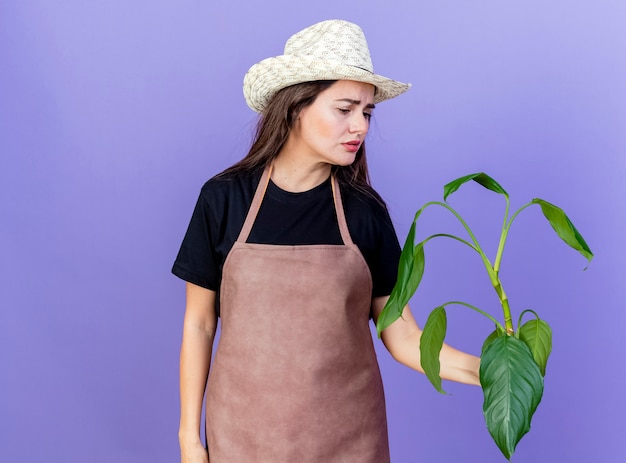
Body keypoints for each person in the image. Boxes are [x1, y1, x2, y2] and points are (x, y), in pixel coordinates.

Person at [172, 19, 480, 463]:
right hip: (241, 440)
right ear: (297, 107)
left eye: (367, 112)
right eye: (345, 109)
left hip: (349, 442)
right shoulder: (224, 199)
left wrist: (494, 372)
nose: (361, 126)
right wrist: (189, 439)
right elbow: (199, 324)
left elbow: (405, 337)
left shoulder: (364, 211)